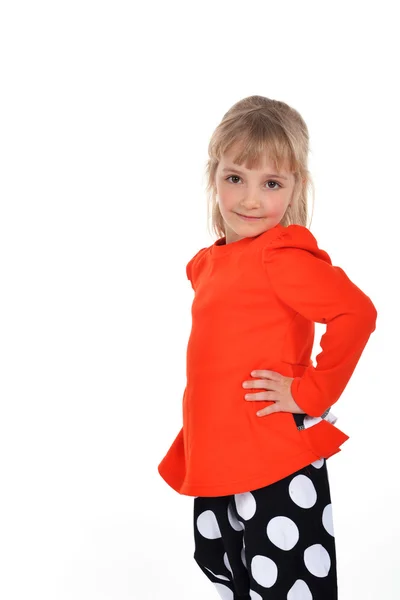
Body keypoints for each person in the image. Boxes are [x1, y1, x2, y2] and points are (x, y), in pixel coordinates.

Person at [157, 95, 378, 600]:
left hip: (272, 452)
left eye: (271, 183)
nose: (250, 200)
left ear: (296, 186)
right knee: (223, 564)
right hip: (220, 448)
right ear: (214, 176)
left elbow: (356, 314)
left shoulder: (280, 256)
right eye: (235, 177)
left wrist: (311, 393)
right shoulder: (206, 264)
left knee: (285, 578)